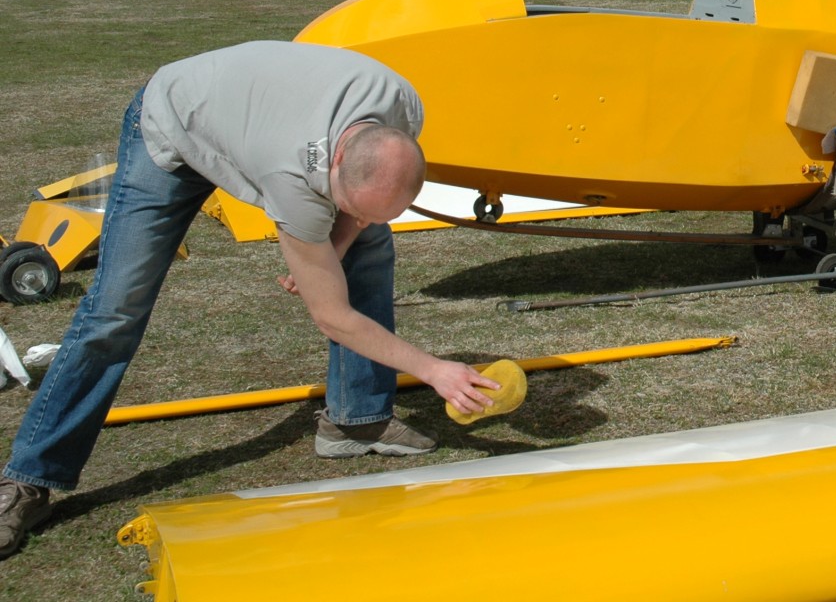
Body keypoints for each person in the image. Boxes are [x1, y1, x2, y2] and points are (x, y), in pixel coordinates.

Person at [0, 40, 498, 559]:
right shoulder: (291, 176)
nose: (365, 218)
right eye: (354, 207)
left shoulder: (401, 106)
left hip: (249, 117)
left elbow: (362, 212)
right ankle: (28, 477)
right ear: (336, 164)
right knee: (116, 310)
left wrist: (334, 245)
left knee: (368, 247)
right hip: (173, 123)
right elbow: (332, 316)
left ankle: (358, 418)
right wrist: (433, 369)